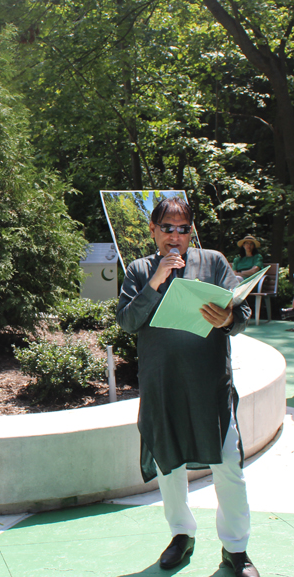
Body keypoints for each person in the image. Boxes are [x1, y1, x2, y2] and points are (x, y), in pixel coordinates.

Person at [116, 197, 259, 577]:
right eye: (167, 228)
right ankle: (181, 534)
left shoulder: (213, 262)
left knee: (228, 463)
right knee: (169, 464)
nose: (175, 237)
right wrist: (157, 280)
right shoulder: (139, 269)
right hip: (163, 384)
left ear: (191, 230)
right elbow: (128, 322)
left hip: (209, 384)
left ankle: (236, 550)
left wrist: (228, 316)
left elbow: (241, 312)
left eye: (183, 229)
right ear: (153, 230)